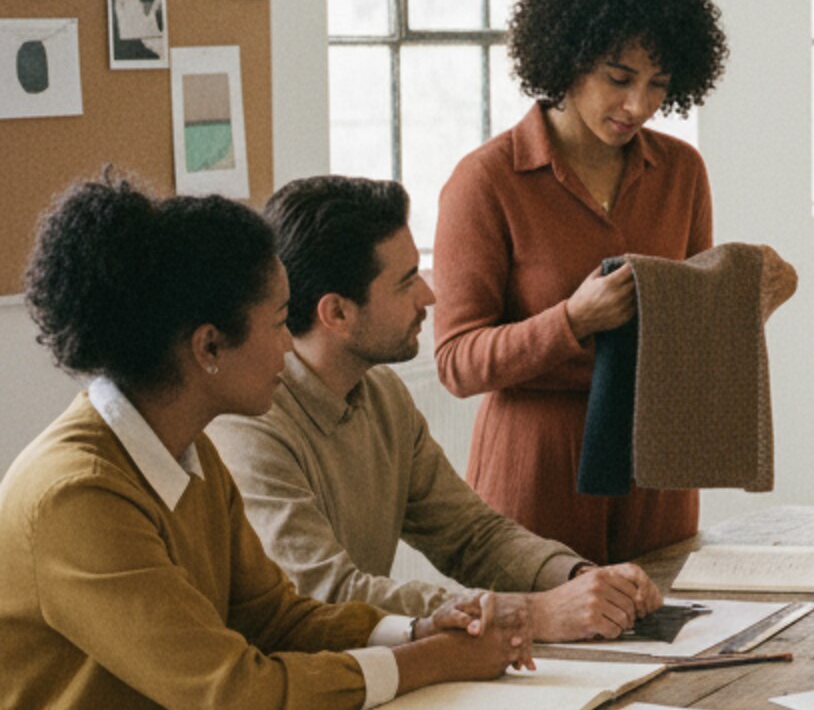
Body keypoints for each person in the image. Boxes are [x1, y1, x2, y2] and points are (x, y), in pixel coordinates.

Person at [0, 175, 523, 710]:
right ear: (209, 346)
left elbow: (276, 618)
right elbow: (234, 695)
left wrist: (412, 630)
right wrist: (431, 663)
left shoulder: (187, 451)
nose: (289, 343)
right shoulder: (77, 495)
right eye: (278, 322)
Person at [433, 0, 796, 564]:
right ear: (567, 59)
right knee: (545, 653)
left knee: (674, 638)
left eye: (659, 85)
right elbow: (457, 363)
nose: (639, 106)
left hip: (657, 466)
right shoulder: (487, 179)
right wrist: (571, 321)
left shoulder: (681, 170)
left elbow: (688, 329)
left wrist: (748, 294)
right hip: (538, 468)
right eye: (619, 79)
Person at [213, 176, 661, 640]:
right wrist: (530, 614)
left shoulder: (383, 394)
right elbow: (328, 593)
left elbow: (471, 535)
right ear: (338, 314)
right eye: (407, 281)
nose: (429, 297)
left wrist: (580, 579)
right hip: (294, 691)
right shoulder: (248, 427)